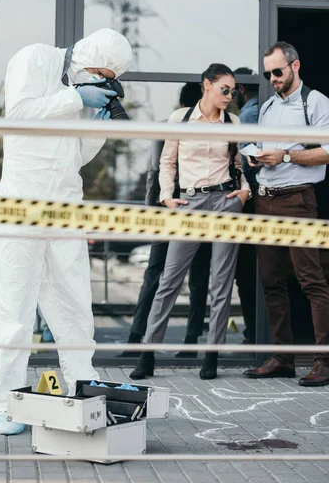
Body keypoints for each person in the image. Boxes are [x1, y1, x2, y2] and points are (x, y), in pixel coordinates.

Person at [0, 28, 132, 435]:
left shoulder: (84, 88)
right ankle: (9, 401)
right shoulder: (34, 58)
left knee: (73, 301)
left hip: (66, 204)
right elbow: (18, 113)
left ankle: (82, 385)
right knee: (12, 304)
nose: (101, 83)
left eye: (107, 78)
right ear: (87, 57)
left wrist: (99, 127)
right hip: (20, 204)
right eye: (100, 73)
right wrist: (75, 98)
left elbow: (76, 156)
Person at [130, 64, 251, 381]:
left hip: (226, 202)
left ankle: (211, 357)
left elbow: (237, 163)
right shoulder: (180, 119)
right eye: (225, 89)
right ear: (206, 86)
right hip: (189, 203)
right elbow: (166, 161)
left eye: (234, 90)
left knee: (221, 284)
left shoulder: (233, 122)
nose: (230, 95)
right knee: (169, 281)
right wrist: (167, 197)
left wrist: (244, 192)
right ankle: (147, 355)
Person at [244, 41, 329, 386]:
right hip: (266, 200)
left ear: (296, 66)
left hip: (297, 201)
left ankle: (323, 361)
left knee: (311, 282)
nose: (273, 78)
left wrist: (288, 156)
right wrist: (254, 155)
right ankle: (282, 358)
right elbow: (262, 147)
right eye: (268, 74)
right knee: (271, 282)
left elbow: (326, 151)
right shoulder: (266, 107)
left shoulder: (316, 102)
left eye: (277, 71)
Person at [119, 83, 212, 360]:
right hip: (198, 210)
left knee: (154, 275)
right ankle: (191, 341)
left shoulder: (166, 125)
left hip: (166, 211)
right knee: (198, 278)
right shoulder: (212, 130)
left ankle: (136, 339)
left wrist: (152, 213)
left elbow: (154, 172)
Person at [233, 68, 258, 345]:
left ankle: (253, 333)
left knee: (245, 274)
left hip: (250, 205)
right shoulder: (267, 110)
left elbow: (245, 168)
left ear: (240, 90)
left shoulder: (248, 116)